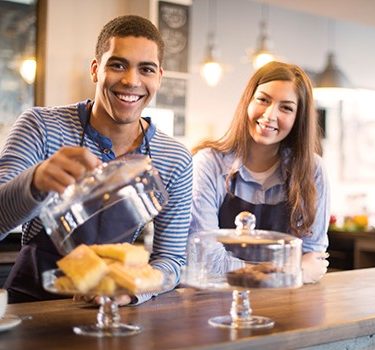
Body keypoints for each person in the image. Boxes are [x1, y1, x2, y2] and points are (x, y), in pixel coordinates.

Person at [0, 15, 192, 303]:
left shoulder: (174, 159)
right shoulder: (40, 126)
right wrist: (36, 180)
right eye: (117, 65)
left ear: (159, 78)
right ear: (95, 70)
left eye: (146, 69)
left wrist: (130, 292)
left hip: (111, 312)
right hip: (33, 308)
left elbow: (172, 260)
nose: (131, 80)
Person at [189, 61, 329, 284]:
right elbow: (206, 261)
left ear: (298, 118)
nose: (270, 115)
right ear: (248, 101)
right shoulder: (208, 164)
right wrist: (293, 273)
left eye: (286, 107)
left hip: (285, 306)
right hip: (215, 305)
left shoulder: (312, 170)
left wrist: (296, 270)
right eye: (263, 100)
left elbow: (313, 256)